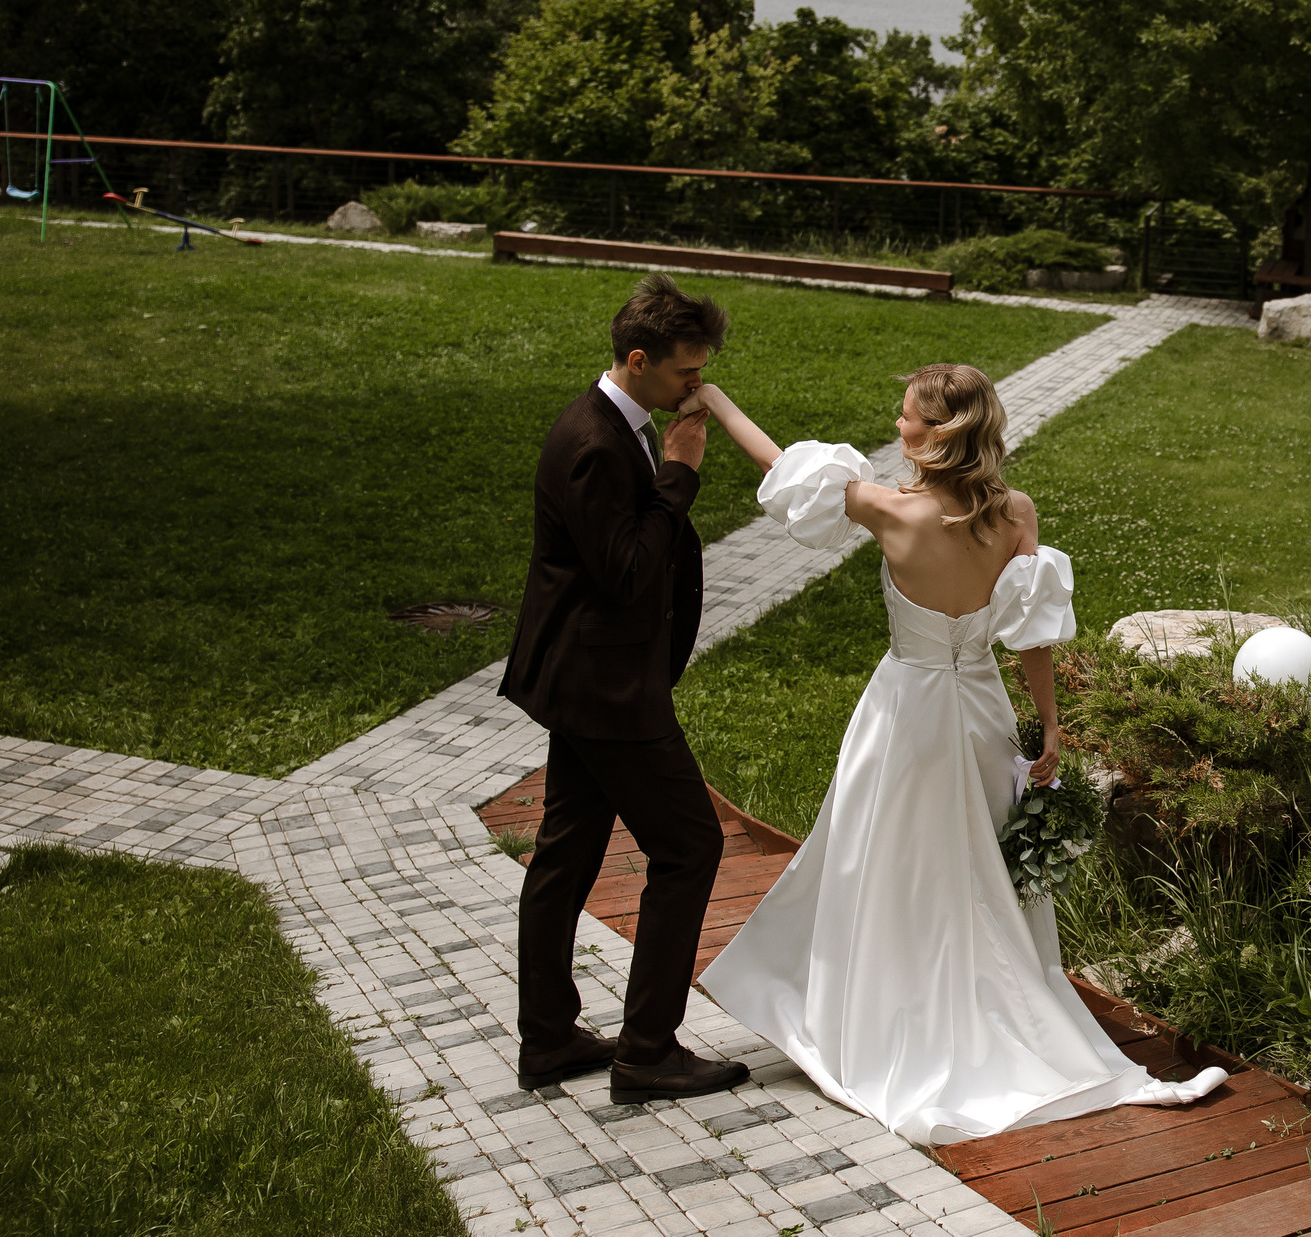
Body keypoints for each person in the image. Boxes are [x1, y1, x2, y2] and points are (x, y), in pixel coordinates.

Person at [687, 363, 1229, 1144]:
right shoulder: (1014, 514)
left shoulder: (888, 508)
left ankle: (882, 1005)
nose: (897, 425)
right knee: (981, 868)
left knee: (883, 858)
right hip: (980, 708)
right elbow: (1033, 631)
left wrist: (714, 399)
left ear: (937, 433)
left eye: (906, 417)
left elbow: (783, 466)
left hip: (903, 709)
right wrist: (1049, 726)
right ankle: (994, 1010)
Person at [499, 273, 752, 1102]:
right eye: (687, 372)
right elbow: (631, 573)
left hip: (588, 677)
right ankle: (646, 1050)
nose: (699, 387)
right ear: (637, 359)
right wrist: (679, 475)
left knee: (567, 853)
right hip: (605, 687)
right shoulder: (595, 440)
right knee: (691, 845)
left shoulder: (620, 421)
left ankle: (548, 1038)